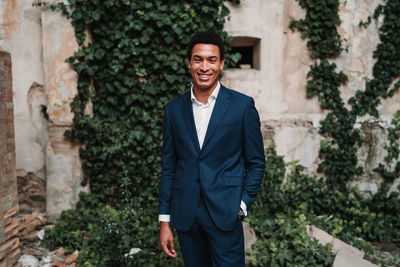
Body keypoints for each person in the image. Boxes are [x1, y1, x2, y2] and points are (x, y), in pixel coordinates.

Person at [158, 30, 265, 267]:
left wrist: (242, 204)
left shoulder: (242, 106)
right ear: (189, 63)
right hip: (187, 215)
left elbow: (256, 163)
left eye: (211, 60)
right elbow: (169, 166)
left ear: (221, 64)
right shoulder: (173, 110)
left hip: (226, 212)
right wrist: (164, 221)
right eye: (198, 59)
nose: (204, 67)